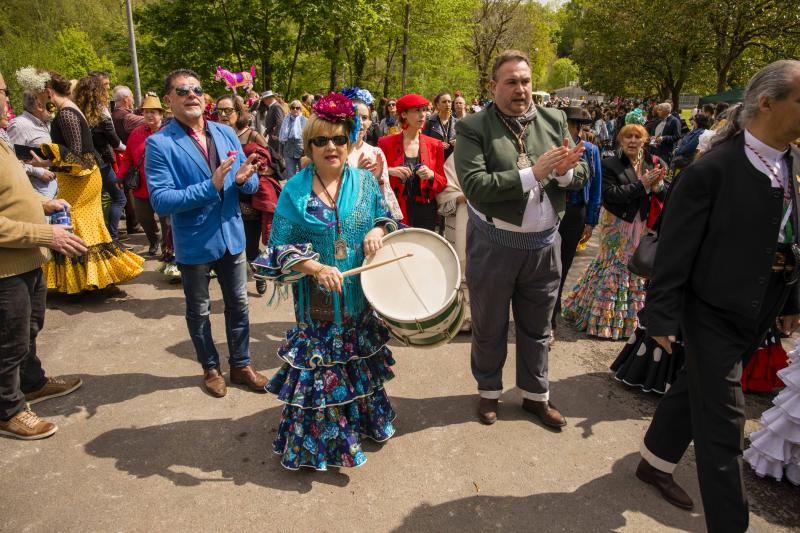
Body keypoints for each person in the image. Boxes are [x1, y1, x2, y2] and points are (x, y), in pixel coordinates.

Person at [635, 60, 800, 533]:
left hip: (763, 304)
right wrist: (661, 316)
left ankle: (653, 461)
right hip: (710, 310)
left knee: (697, 388)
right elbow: (674, 251)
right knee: (725, 422)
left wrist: (791, 303)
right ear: (767, 103)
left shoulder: (793, 163)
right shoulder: (712, 170)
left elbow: (792, 237)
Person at [251, 92, 399, 470]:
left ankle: (359, 424)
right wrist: (316, 268)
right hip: (316, 307)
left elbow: (386, 216)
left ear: (349, 143)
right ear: (309, 146)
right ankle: (325, 444)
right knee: (323, 372)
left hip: (358, 302)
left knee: (356, 362)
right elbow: (277, 248)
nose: (331, 147)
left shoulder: (365, 182)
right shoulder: (295, 190)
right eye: (321, 140)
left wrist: (378, 230)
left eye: (338, 139)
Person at [454, 50, 587, 428]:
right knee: (490, 324)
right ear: (493, 86)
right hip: (494, 246)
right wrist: (534, 173)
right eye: (511, 82)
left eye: (525, 81)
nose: (520, 89)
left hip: (544, 247)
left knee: (538, 327)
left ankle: (535, 396)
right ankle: (489, 392)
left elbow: (579, 173)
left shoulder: (554, 119)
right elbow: (475, 185)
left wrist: (564, 173)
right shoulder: (473, 127)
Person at [144, 69, 266, 398]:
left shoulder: (225, 133)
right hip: (195, 241)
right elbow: (161, 200)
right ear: (169, 100)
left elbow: (250, 183)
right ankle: (210, 368)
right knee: (199, 311)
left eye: (196, 89)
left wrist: (243, 180)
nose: (191, 95)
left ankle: (241, 364)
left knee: (239, 304)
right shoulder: (159, 144)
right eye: (182, 90)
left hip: (232, 237)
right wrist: (210, 186)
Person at [0, 70, 87, 440]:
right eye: (1, 92)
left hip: (28, 257)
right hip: (6, 267)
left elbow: (12, 191)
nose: (5, 99)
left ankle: (32, 382)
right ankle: (8, 410)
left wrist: (43, 204)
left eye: (4, 91)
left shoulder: (2, 138)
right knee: (9, 340)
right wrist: (45, 233)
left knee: (30, 326)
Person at [26, 69, 144, 295]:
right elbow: (75, 154)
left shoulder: (66, 113)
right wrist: (45, 162)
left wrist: (50, 157)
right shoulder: (68, 110)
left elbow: (77, 155)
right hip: (81, 176)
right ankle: (95, 280)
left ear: (48, 91)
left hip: (81, 179)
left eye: (39, 94)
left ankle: (90, 282)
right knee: (87, 226)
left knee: (81, 226)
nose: (38, 100)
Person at [561, 124, 666, 339]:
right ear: (620, 140)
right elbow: (610, 195)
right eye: (628, 136)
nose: (632, 140)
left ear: (644, 141)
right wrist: (642, 184)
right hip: (616, 224)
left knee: (636, 268)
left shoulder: (654, 163)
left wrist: (659, 186)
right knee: (613, 267)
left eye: (637, 136)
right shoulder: (610, 164)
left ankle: (632, 322)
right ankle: (603, 321)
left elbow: (664, 195)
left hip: (642, 224)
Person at [550, 107, 602, 343]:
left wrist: (591, 220)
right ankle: (549, 313)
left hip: (575, 212)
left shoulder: (590, 150)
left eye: (572, 124)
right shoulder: (553, 147)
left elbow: (596, 185)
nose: (570, 128)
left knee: (565, 262)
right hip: (552, 210)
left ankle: (553, 309)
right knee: (549, 264)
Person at [379, 93, 447, 230]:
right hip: (395, 209)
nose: (422, 115)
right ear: (404, 114)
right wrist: (389, 171)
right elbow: (373, 176)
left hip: (426, 211)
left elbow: (442, 183)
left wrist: (432, 175)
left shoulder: (435, 145)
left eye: (424, 110)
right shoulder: (385, 143)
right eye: (416, 110)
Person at [75, 76, 127, 242]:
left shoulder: (76, 112)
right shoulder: (100, 113)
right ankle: (112, 238)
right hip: (101, 161)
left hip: (84, 163)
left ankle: (102, 236)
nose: (107, 90)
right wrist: (129, 150)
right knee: (119, 198)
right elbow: (114, 141)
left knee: (97, 200)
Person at [117, 92, 168, 257]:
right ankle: (154, 240)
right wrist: (120, 176)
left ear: (161, 114)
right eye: (146, 112)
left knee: (166, 221)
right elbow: (127, 158)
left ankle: (167, 248)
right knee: (143, 218)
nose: (149, 115)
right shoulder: (137, 133)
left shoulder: (169, 132)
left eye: (153, 112)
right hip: (141, 187)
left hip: (165, 186)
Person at [347, 94, 403, 220]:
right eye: (354, 117)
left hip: (369, 216)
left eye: (364, 118)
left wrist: (376, 181)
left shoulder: (375, 153)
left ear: (370, 122)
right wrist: (358, 175)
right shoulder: (337, 153)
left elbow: (383, 193)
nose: (360, 122)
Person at [437, 155, 471, 331]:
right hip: (461, 220)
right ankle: (461, 319)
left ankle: (483, 319)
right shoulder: (456, 157)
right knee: (460, 269)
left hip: (491, 222)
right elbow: (445, 191)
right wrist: (463, 197)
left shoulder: (492, 150)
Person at [7, 81, 56, 199]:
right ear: (39, 105)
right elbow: (11, 160)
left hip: (54, 188)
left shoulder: (47, 122)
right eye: (49, 100)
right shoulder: (19, 125)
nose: (53, 105)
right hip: (36, 193)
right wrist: (38, 172)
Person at [423, 92, 458, 159]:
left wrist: (459, 142)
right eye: (444, 102)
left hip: (453, 160)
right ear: (438, 105)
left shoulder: (458, 123)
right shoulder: (429, 123)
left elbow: (465, 142)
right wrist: (437, 145)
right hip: (435, 159)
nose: (447, 104)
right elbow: (423, 143)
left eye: (449, 101)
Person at [278, 99, 307, 178]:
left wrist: (307, 152)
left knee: (303, 175)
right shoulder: (285, 120)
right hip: (288, 151)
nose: (295, 109)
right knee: (290, 175)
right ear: (290, 109)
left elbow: (308, 137)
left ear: (300, 109)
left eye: (297, 108)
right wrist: (280, 153)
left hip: (302, 151)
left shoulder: (305, 120)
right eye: (293, 107)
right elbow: (281, 138)